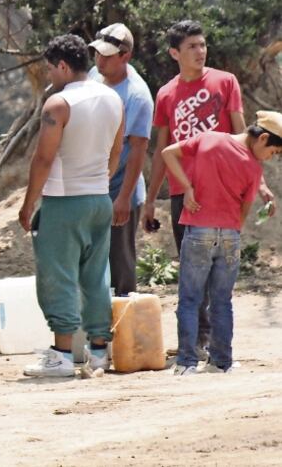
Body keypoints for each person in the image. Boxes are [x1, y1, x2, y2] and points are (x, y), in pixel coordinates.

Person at [142, 20, 273, 354]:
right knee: (191, 266)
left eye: (202, 45)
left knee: (220, 267)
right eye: (191, 47)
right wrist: (149, 199)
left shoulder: (225, 82)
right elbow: (162, 149)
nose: (200, 51)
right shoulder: (166, 94)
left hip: (223, 187)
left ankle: (217, 341)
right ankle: (197, 340)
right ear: (175, 53)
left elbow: (247, 136)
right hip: (183, 190)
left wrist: (259, 183)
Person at [18, 34, 124, 377]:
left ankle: (62, 356)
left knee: (58, 275)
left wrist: (28, 203)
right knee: (96, 276)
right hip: (99, 198)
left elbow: (43, 158)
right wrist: (99, 182)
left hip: (64, 201)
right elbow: (116, 153)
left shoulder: (58, 105)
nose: (49, 76)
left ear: (63, 66)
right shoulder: (113, 99)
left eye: (50, 69)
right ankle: (98, 354)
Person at [161, 112, 282, 375]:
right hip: (229, 234)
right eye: (272, 152)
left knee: (190, 299)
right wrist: (232, 229)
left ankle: (186, 363)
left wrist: (188, 189)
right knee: (222, 301)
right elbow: (245, 208)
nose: (270, 157)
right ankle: (221, 362)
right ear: (262, 138)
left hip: (198, 230)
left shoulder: (210, 139)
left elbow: (168, 153)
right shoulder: (252, 167)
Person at [87, 23, 154, 296]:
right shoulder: (94, 75)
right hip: (92, 185)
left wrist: (124, 198)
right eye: (97, 54)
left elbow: (138, 150)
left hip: (119, 187)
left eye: (107, 56)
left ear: (125, 56)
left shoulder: (137, 96)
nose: (99, 60)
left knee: (120, 261)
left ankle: (122, 324)